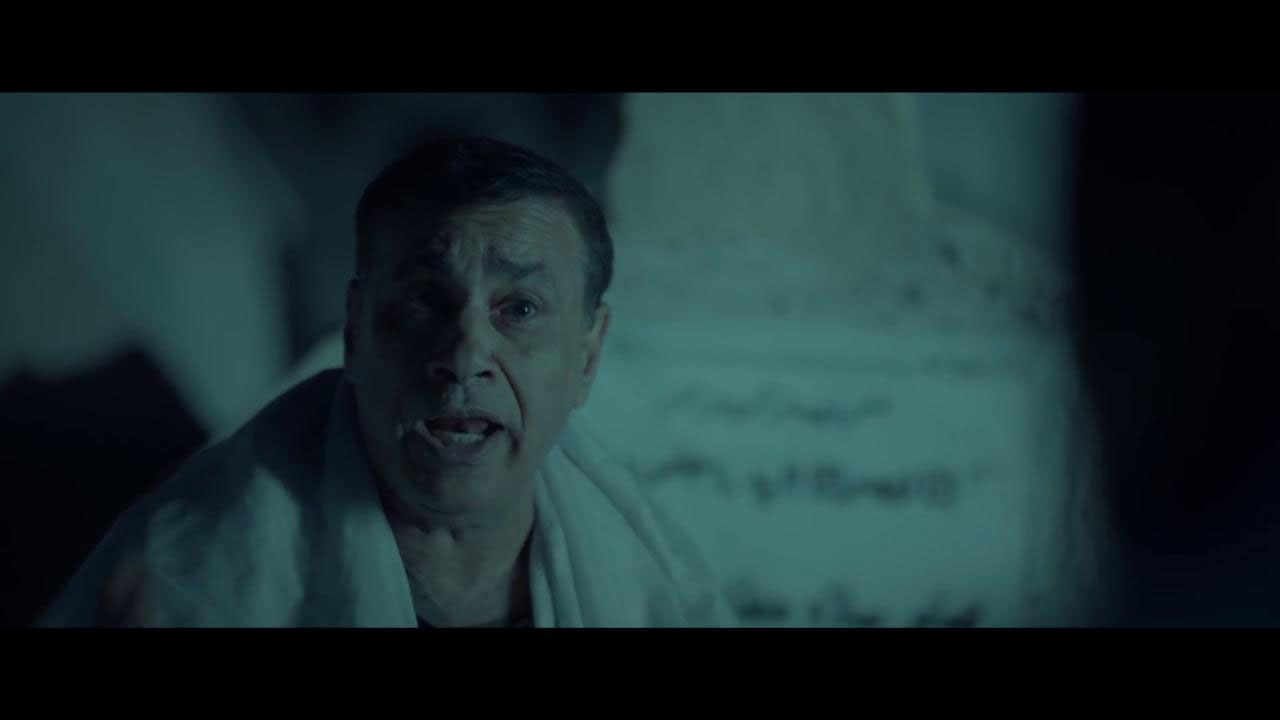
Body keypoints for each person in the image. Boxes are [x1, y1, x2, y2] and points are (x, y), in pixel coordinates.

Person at [39, 137, 730, 628]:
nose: (465, 355)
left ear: (587, 357)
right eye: (426, 300)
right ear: (355, 332)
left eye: (519, 310)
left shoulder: (654, 586)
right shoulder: (187, 580)